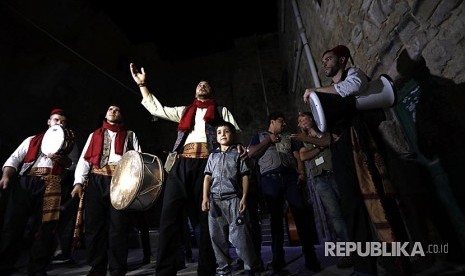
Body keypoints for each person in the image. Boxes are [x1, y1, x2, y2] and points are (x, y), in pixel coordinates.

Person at [303, 45, 411, 275]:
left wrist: (314, 90)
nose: (324, 63)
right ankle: (365, 266)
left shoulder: (354, 74)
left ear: (342, 60)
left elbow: (350, 89)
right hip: (340, 146)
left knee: (379, 199)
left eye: (329, 58)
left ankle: (397, 264)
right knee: (351, 205)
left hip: (359, 140)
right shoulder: (328, 89)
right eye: (322, 60)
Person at [130, 63, 244, 276]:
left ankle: (207, 270)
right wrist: (143, 85)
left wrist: (237, 144)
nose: (202, 86)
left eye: (206, 84)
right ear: (195, 91)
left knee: (206, 218)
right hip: (181, 163)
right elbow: (157, 109)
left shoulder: (220, 111)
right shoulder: (185, 111)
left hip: (207, 165)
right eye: (199, 84)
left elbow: (235, 132)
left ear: (211, 91)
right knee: (169, 215)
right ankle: (164, 270)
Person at [0, 108, 79, 276]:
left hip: (51, 183)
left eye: (62, 121)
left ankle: (37, 269)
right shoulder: (32, 140)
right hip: (26, 181)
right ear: (49, 122)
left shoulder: (69, 142)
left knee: (44, 229)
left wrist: (62, 159)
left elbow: (73, 164)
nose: (59, 123)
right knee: (12, 225)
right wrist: (6, 175)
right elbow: (14, 158)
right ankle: (4, 265)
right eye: (56, 120)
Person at [247, 111, 321, 274]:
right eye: (281, 121)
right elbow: (251, 153)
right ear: (272, 122)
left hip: (290, 178)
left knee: (300, 216)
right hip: (270, 180)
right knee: (275, 221)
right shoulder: (259, 136)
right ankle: (278, 260)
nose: (284, 124)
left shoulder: (289, 137)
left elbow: (297, 157)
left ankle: (311, 258)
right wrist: (268, 140)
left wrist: (301, 173)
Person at [71, 104, 141, 276]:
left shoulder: (130, 135)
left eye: (117, 109)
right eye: (110, 109)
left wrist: (135, 185)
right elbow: (85, 160)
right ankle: (97, 267)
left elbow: (138, 159)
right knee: (94, 226)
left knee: (118, 226)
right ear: (106, 115)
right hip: (96, 180)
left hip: (121, 182)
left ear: (121, 115)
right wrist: (78, 182)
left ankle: (117, 269)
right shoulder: (95, 135)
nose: (113, 111)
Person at [292, 112, 353, 268]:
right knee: (335, 215)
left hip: (336, 173)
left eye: (304, 118)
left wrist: (311, 141)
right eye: (299, 121)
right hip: (320, 179)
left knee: (350, 208)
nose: (302, 122)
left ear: (311, 119)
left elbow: (328, 140)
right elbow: (304, 156)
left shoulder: (323, 130)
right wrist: (319, 147)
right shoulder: (302, 142)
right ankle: (348, 252)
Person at [201, 121, 259, 275]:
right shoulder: (212, 156)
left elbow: (245, 175)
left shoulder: (237, 154)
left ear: (232, 135)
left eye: (226, 131)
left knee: (241, 237)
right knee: (217, 238)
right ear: (216, 136)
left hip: (233, 199)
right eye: (219, 132)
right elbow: (207, 177)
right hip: (215, 202)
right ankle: (223, 269)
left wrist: (244, 197)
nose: (223, 134)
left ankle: (251, 267)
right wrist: (205, 198)